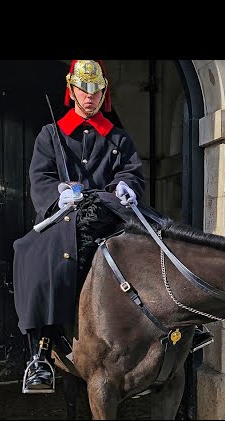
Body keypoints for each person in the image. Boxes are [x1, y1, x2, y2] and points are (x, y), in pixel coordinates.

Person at [12, 60, 146, 393]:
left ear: (104, 93)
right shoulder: (50, 134)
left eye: (96, 90)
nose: (90, 96)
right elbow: (40, 177)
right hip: (68, 216)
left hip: (108, 211)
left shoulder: (118, 137)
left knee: (160, 238)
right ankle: (39, 354)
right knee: (31, 253)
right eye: (84, 89)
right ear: (72, 90)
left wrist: (127, 185)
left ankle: (181, 326)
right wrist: (58, 193)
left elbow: (130, 173)